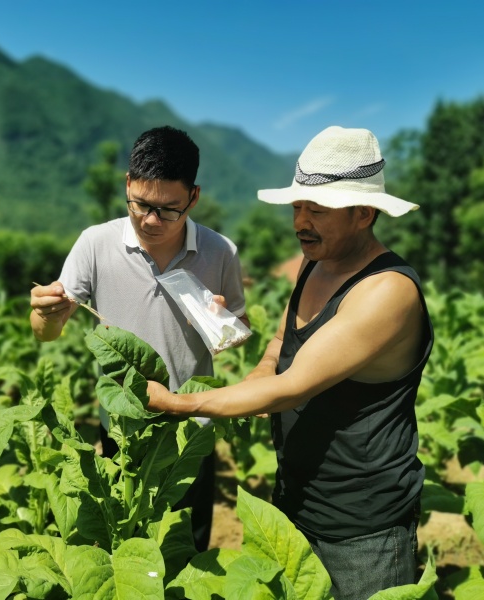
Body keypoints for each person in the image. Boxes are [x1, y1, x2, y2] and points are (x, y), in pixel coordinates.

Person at [146, 125, 434, 600]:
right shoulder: (315, 262)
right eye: (297, 207)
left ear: (364, 214)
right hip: (297, 500)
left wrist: (178, 403)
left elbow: (294, 386)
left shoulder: (387, 291)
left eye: (317, 210)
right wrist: (247, 379)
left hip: (361, 524)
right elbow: (280, 347)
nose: (301, 221)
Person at [29, 125, 249, 553]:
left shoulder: (220, 251)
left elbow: (233, 334)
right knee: (127, 547)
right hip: (123, 428)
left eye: (169, 210)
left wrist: (220, 323)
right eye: (141, 205)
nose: (151, 221)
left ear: (194, 197)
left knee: (186, 550)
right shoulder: (95, 244)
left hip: (191, 431)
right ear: (128, 184)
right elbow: (46, 334)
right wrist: (45, 314)